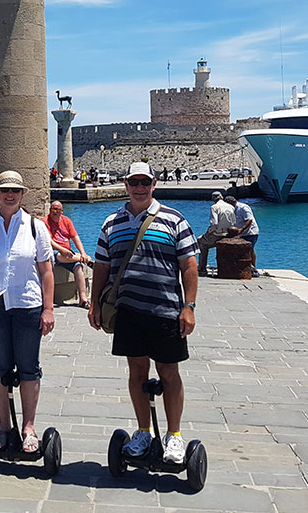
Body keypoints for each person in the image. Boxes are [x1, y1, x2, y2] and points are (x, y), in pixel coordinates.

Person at [88, 161, 199, 465]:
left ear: (154, 184)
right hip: (128, 311)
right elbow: (102, 266)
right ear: (126, 184)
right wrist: (94, 303)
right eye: (134, 182)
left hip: (166, 310)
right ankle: (143, 431)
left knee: (169, 372)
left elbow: (189, 266)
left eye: (144, 182)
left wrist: (188, 307)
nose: (139, 187)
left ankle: (174, 436)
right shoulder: (111, 223)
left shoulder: (174, 220)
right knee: (136, 371)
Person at [0, 170, 55, 454]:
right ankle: (4, 427)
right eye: (5, 190)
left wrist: (48, 309)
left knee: (29, 368)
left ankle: (29, 427)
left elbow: (46, 271)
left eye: (15, 191)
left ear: (21, 195)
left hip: (28, 306)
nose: (9, 194)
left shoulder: (35, 227)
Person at [41, 201, 91, 308]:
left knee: (78, 266)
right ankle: (85, 260)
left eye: (57, 210)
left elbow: (75, 237)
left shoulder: (66, 221)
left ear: (61, 211)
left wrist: (82, 252)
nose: (55, 212)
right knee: (58, 255)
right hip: (53, 251)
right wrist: (62, 249)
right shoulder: (44, 222)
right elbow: (49, 241)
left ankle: (83, 299)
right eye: (53, 209)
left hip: (67, 253)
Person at [197, 191, 236, 276]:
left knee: (201, 242)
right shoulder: (231, 207)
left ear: (213, 199)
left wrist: (208, 232)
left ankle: (202, 268)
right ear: (222, 197)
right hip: (228, 234)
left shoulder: (214, 207)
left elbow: (214, 223)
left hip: (217, 234)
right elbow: (233, 222)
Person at [224, 195, 261, 277]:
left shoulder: (243, 208)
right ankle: (241, 266)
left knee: (249, 249)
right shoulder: (231, 209)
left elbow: (249, 220)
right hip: (240, 233)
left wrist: (242, 229)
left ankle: (253, 268)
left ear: (234, 202)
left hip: (250, 232)